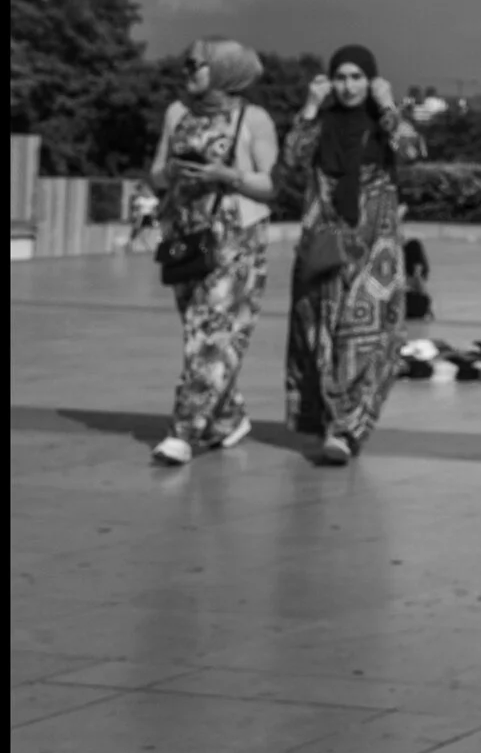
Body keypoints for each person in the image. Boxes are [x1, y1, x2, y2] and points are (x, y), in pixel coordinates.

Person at [282, 44, 425, 466]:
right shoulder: (320, 123)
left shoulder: (383, 125)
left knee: (363, 338)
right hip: (325, 245)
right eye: (340, 78)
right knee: (318, 337)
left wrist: (387, 105)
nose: (347, 86)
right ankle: (331, 423)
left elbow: (412, 151)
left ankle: (346, 429)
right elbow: (291, 160)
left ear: (371, 80)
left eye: (356, 77)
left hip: (374, 251)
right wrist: (310, 107)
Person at [147, 39, 280, 466]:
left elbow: (273, 185)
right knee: (197, 330)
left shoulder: (253, 119)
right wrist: (169, 172)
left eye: (196, 65)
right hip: (186, 233)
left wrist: (228, 174)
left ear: (224, 70)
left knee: (212, 335)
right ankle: (227, 418)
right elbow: (155, 173)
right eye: (185, 64)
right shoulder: (177, 112)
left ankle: (184, 431)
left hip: (236, 238)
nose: (187, 72)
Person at [403, 236, 434, 324]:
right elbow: (422, 290)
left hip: (403, 302)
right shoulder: (419, 268)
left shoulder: (400, 266)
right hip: (415, 303)